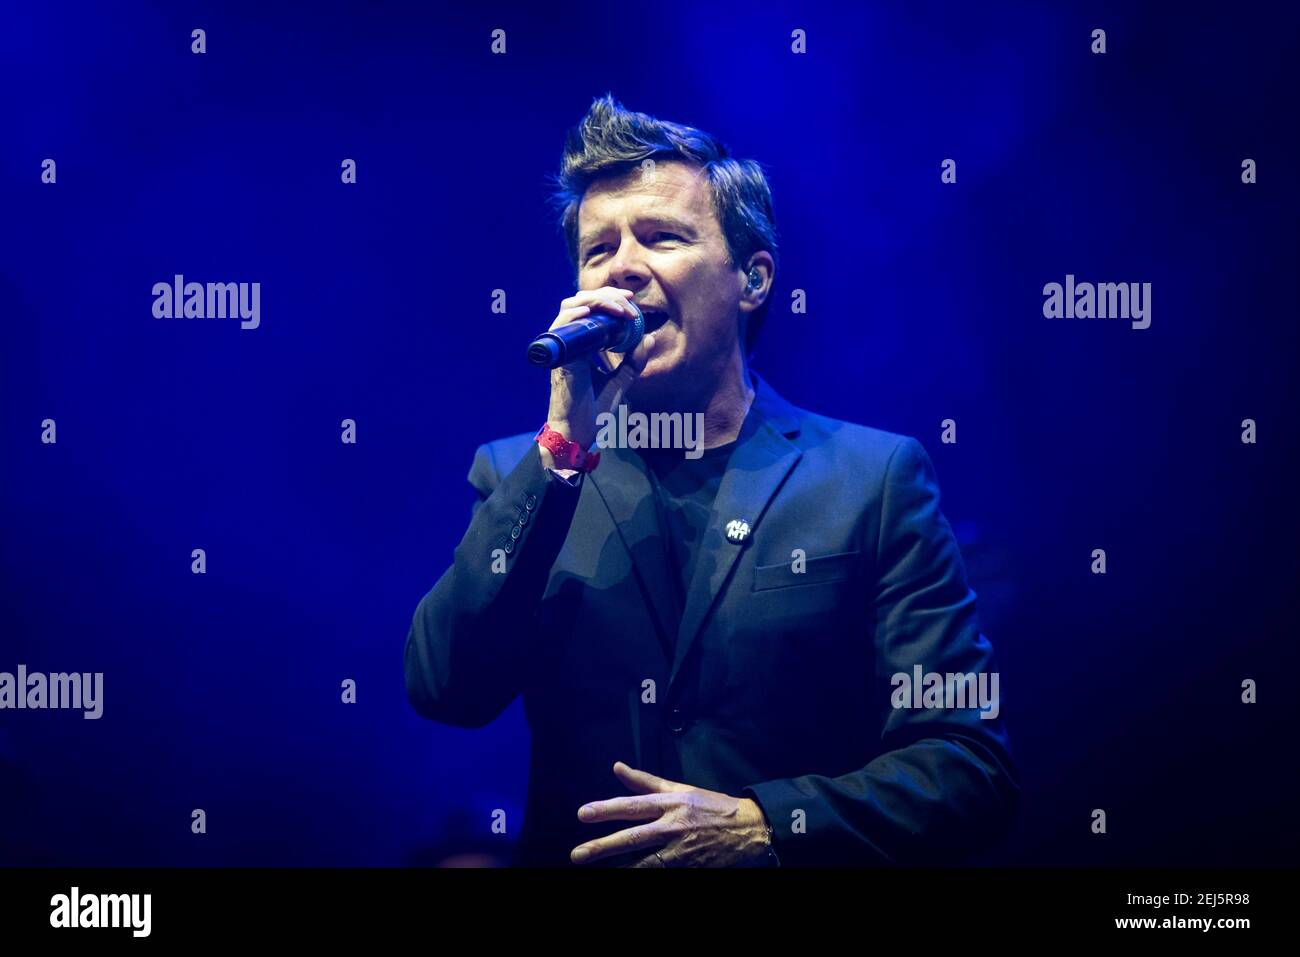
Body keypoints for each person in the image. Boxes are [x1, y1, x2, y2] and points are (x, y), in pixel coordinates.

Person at [404, 94, 1019, 867]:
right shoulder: (519, 472)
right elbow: (445, 688)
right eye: (598, 251)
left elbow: (967, 763)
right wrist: (561, 449)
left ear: (753, 279)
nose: (624, 265)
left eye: (661, 236)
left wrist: (767, 822)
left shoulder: (873, 478)